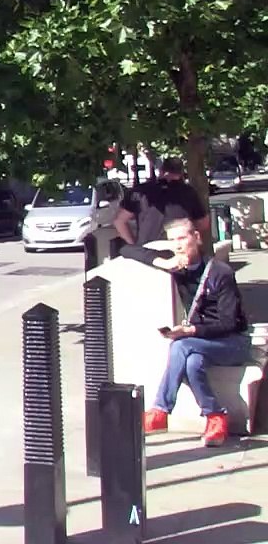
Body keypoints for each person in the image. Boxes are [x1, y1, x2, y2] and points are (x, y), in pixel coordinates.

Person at [121, 218, 250, 447]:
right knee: (192, 364)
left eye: (183, 238)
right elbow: (126, 249)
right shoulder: (178, 270)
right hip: (202, 343)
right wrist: (162, 261)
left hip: (233, 342)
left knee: (181, 345)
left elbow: (229, 323)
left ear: (197, 238)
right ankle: (215, 417)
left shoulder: (220, 272)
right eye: (173, 241)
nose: (178, 245)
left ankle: (160, 410)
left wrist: (191, 330)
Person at [115, 157, 209, 246]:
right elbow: (203, 223)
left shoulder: (140, 192)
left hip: (147, 250)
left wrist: (134, 245)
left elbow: (119, 221)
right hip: (178, 247)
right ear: (181, 173)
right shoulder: (188, 192)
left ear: (161, 171)